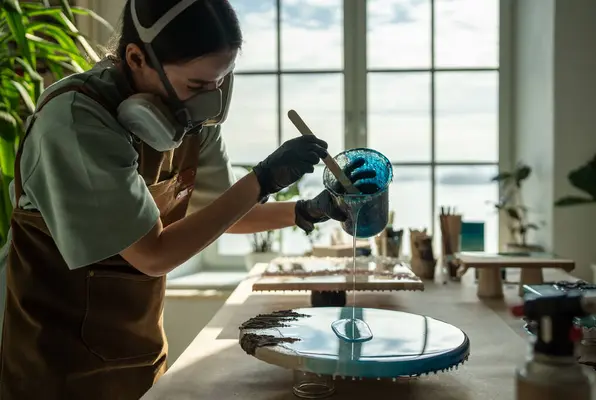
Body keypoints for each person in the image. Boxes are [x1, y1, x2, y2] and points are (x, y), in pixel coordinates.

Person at [0, 0, 375, 399]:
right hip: (56, 372)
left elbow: (224, 215)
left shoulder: (192, 122)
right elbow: (152, 255)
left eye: (220, 83)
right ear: (137, 58)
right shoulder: (76, 120)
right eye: (197, 85)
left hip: (138, 357)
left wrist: (310, 209)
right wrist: (263, 179)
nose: (210, 102)